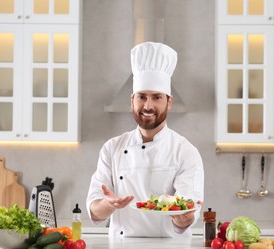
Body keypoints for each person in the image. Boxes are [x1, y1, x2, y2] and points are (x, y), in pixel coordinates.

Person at [86, 42, 204, 238]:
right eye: (142, 97)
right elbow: (94, 210)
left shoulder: (185, 151)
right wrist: (108, 205)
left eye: (157, 97)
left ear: (169, 102)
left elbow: (188, 209)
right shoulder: (112, 148)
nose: (148, 106)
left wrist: (185, 219)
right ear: (132, 100)